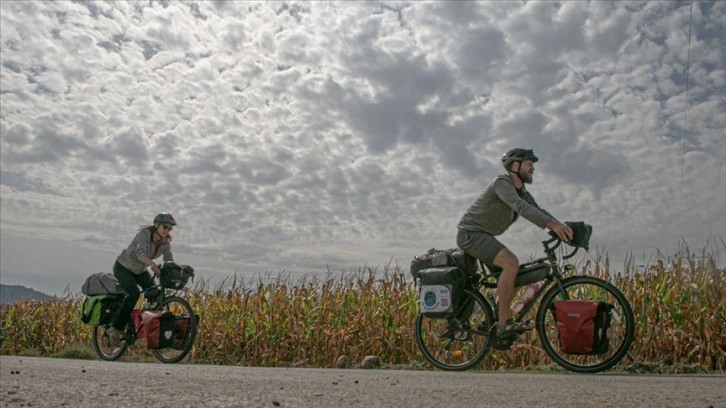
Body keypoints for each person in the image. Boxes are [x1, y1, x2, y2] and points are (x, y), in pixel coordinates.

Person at [456, 148, 573, 339]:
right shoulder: (502, 183)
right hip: (470, 234)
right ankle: (503, 324)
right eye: (529, 164)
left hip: (483, 235)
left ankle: (494, 317)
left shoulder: (522, 191)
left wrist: (561, 228)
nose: (532, 168)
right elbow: (521, 207)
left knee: (514, 274)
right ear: (515, 165)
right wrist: (553, 225)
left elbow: (537, 209)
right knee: (510, 263)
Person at [106, 213, 178, 346]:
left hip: (140, 271)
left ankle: (141, 323)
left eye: (170, 228)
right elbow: (140, 254)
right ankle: (115, 328)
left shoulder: (165, 241)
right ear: (156, 225)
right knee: (133, 293)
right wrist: (152, 264)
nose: (167, 230)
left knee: (155, 295)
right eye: (165, 227)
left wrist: (176, 270)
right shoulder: (144, 234)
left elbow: (168, 258)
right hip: (124, 267)